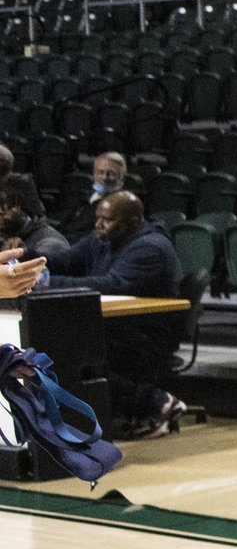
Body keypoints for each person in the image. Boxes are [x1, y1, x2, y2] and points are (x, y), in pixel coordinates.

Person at [32, 189, 187, 438]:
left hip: (146, 335)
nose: (99, 224)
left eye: (108, 219)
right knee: (60, 347)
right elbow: (66, 260)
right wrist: (26, 263)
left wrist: (44, 282)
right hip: (117, 326)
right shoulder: (102, 239)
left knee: (70, 352)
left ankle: (156, 402)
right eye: (98, 218)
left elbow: (110, 284)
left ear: (133, 222)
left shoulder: (150, 247)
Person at [58, 151, 128, 242]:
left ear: (121, 178)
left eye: (111, 173)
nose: (104, 177)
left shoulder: (122, 205)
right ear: (94, 175)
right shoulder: (84, 200)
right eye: (100, 172)